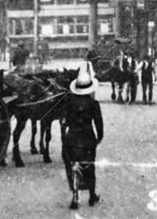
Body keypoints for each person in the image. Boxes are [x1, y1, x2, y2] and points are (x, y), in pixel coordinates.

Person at [61, 62, 104, 209]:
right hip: (88, 138)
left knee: (73, 166)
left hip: (72, 138)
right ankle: (92, 196)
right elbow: (99, 123)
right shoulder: (93, 104)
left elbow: (64, 121)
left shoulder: (69, 102)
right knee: (89, 166)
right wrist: (99, 137)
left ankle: (75, 198)